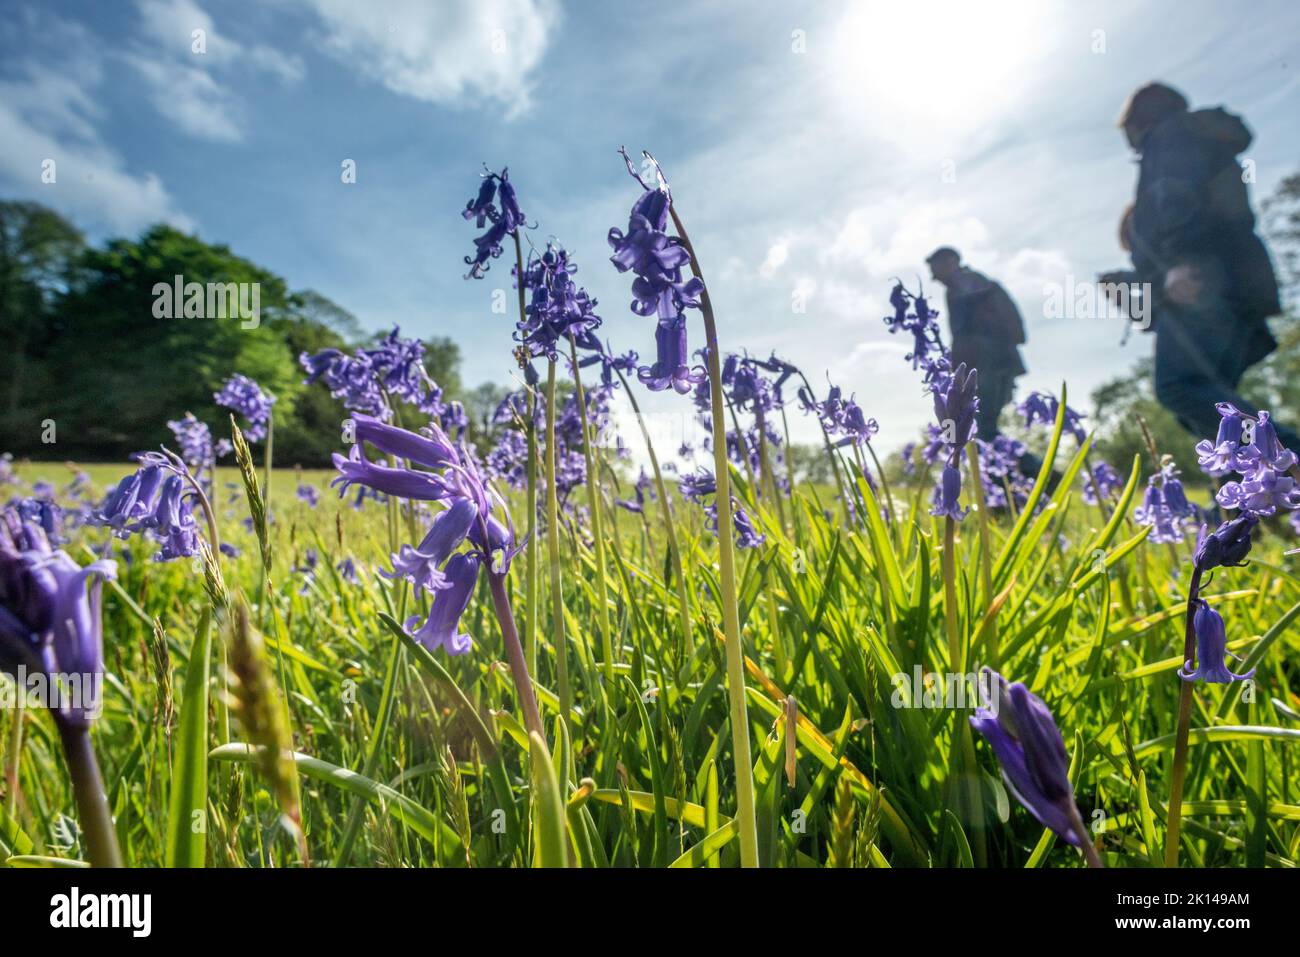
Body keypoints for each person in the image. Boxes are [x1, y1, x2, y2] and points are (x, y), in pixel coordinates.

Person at [1107, 81, 1298, 451]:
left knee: (1180, 386)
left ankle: (1286, 464)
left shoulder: (1171, 135)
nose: (1128, 140)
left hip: (1200, 282)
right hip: (1234, 283)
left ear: (1137, 119)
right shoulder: (1201, 137)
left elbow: (1175, 195)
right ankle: (1244, 503)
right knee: (1210, 406)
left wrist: (1178, 262)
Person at [925, 247, 1028, 441]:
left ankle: (1037, 470)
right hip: (995, 364)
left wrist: (957, 374)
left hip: (988, 365)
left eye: (935, 269)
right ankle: (1009, 467)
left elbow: (964, 334)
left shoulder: (965, 283)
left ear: (950, 262)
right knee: (983, 429)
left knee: (983, 431)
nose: (934, 277)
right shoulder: (970, 282)